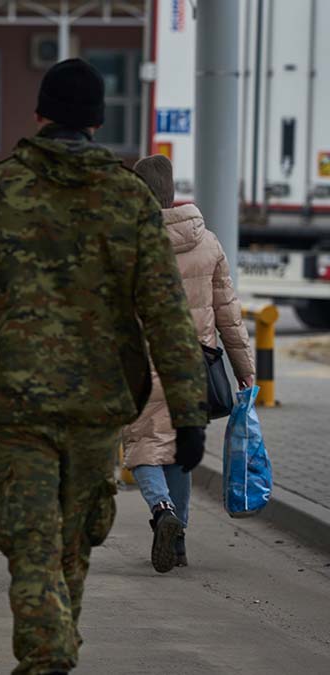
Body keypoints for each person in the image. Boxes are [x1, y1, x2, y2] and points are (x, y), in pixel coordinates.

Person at [0, 59, 209, 674]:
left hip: (15, 403)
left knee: (31, 536)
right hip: (100, 403)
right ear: (97, 121)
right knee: (71, 537)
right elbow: (168, 315)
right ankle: (51, 653)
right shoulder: (129, 199)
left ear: (39, 114)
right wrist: (190, 411)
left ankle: (46, 655)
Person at [125, 154, 255, 573]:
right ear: (172, 192)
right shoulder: (208, 241)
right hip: (194, 363)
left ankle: (162, 510)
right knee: (180, 448)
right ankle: (177, 544)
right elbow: (228, 313)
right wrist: (245, 368)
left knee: (144, 444)